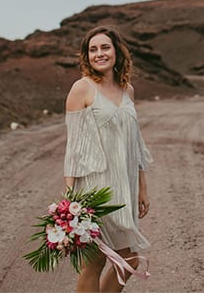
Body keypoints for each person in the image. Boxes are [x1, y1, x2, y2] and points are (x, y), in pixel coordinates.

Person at [63, 25, 153, 292]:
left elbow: (135, 143)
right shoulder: (82, 89)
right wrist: (70, 199)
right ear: (86, 56)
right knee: (94, 261)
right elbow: (74, 148)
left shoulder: (129, 91)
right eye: (93, 50)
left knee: (129, 259)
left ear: (116, 51)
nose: (99, 54)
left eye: (104, 47)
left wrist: (142, 187)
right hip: (95, 188)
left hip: (123, 185)